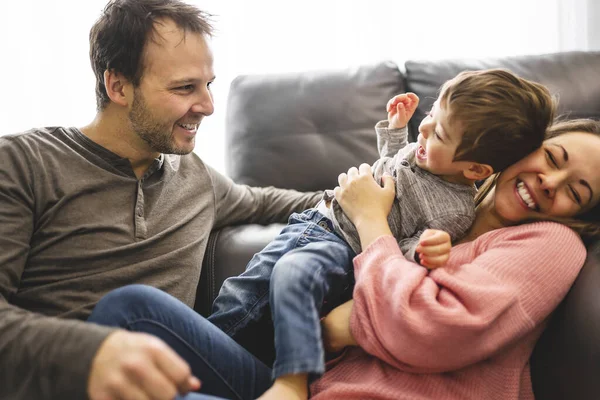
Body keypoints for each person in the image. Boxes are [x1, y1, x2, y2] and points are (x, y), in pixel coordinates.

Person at [88, 118, 600, 400]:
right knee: (129, 309)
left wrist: (368, 230)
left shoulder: (550, 245)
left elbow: (432, 327)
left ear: (581, 216)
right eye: (552, 160)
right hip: (309, 381)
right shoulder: (450, 211)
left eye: (575, 192)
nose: (549, 184)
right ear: (525, 146)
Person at [0, 1, 322, 399]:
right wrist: (92, 354)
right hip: (73, 385)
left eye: (208, 84)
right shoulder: (22, 163)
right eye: (185, 87)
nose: (207, 105)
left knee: (132, 307)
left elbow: (270, 202)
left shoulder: (196, 177)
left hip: (193, 378)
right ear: (117, 86)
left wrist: (376, 191)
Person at [206, 70, 555, 397]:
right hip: (312, 221)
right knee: (239, 294)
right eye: (432, 113)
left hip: (341, 243)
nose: (426, 128)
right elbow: (391, 165)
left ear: (475, 169)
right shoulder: (426, 157)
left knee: (290, 277)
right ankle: (203, 359)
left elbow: (401, 248)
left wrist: (422, 249)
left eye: (440, 133)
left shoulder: (454, 210)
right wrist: (395, 130)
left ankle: (290, 381)